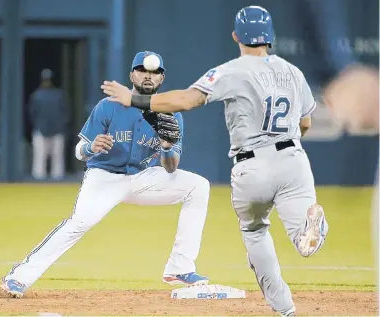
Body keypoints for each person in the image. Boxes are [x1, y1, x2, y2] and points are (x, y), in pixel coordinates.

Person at [102, 7, 329, 317]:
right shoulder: (293, 72)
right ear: (271, 37)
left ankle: (284, 308)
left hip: (251, 164)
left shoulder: (231, 70)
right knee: (300, 230)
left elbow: (185, 101)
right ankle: (308, 234)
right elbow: (305, 125)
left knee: (255, 232)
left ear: (236, 36)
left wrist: (135, 99)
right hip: (293, 159)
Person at [0, 51, 210, 299]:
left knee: (198, 186)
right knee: (79, 223)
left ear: (162, 79)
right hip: (105, 177)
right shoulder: (108, 106)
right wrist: (91, 147)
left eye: (154, 72)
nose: (148, 76)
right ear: (132, 74)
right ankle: (18, 278)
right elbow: (80, 150)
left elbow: (171, 167)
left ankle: (180, 268)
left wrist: (166, 147)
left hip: (144, 177)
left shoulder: (172, 114)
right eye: (142, 70)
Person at [28, 68, 68, 180]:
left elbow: (65, 112)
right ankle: (38, 183)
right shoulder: (36, 95)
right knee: (40, 159)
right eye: (45, 79)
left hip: (56, 130)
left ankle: (58, 183)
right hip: (41, 130)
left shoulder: (58, 95)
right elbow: (32, 114)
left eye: (48, 79)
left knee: (57, 160)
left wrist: (61, 125)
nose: (47, 81)